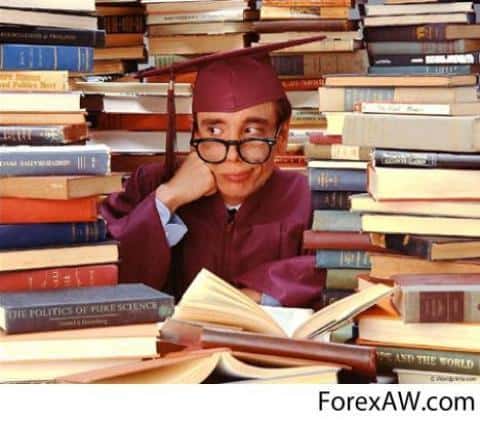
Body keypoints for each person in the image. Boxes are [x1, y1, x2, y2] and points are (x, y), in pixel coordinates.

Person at [100, 36, 327, 307]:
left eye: (252, 132)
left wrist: (256, 295)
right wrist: (167, 199)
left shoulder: (310, 200)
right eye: (214, 131)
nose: (232, 157)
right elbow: (99, 267)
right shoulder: (149, 185)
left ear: (282, 136)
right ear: (194, 133)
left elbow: (339, 269)